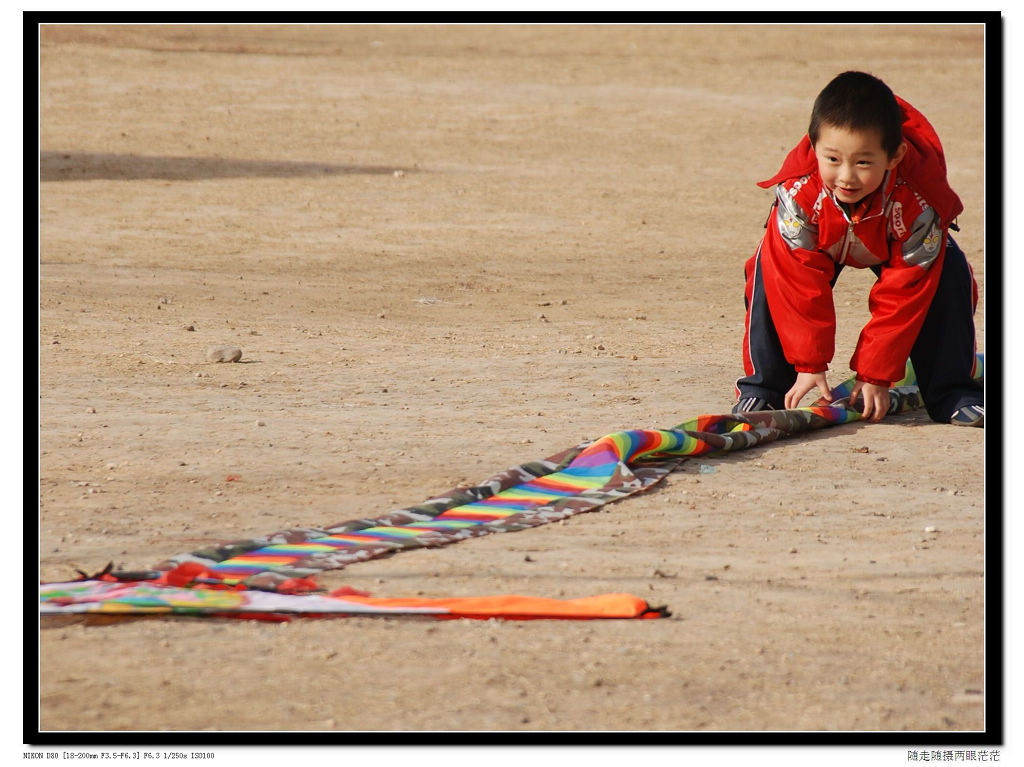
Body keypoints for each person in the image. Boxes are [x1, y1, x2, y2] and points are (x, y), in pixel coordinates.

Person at [733, 71, 984, 427]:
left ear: (895, 156)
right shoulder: (799, 191)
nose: (847, 176)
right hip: (821, 237)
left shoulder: (918, 200)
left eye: (863, 162)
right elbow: (795, 284)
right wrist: (809, 363)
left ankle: (953, 391)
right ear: (814, 145)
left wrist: (876, 374)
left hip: (893, 237)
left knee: (946, 271)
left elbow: (906, 290)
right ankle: (767, 388)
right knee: (770, 267)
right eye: (832, 159)